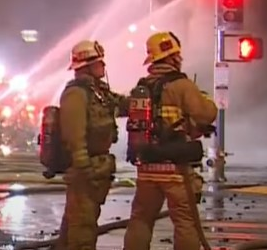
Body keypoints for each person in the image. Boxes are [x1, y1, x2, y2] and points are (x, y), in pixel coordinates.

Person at [123, 32, 218, 250]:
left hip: (146, 167)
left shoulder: (142, 87)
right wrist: (206, 99)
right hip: (176, 169)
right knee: (185, 222)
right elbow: (206, 114)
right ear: (173, 57)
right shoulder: (182, 85)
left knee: (140, 219)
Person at [56, 40, 129, 250]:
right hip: (85, 170)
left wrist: (146, 95)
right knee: (83, 228)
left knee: (74, 225)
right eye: (99, 62)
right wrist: (83, 167)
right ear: (87, 65)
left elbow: (122, 105)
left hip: (96, 167)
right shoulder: (76, 94)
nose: (103, 66)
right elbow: (74, 134)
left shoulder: (98, 93)